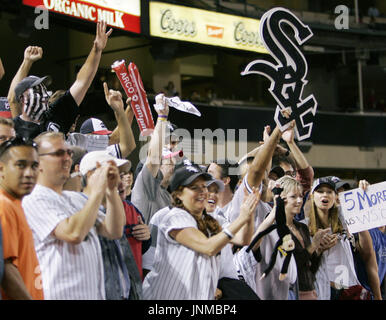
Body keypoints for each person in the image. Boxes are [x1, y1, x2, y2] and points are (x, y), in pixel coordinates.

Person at [22, 132, 125, 299]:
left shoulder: (74, 199)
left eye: (68, 153)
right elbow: (73, 233)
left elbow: (114, 231)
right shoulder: (33, 199)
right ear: (37, 162)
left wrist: (111, 191)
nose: (67, 158)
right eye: (58, 153)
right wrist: (98, 191)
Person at [142, 164, 259, 300]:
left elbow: (243, 239)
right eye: (194, 188)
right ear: (178, 194)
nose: (203, 192)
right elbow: (208, 247)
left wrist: (249, 214)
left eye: (204, 186)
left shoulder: (212, 220)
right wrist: (242, 218)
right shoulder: (173, 216)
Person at [9, 21, 112, 140]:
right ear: (23, 99)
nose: (43, 95)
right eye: (36, 92)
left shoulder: (56, 114)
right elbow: (12, 98)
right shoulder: (15, 127)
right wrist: (27, 62)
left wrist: (97, 50)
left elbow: (81, 83)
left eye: (44, 90)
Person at [250, 176, 329, 300]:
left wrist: (319, 250)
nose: (299, 200)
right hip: (287, 293)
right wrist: (313, 246)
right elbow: (290, 266)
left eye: (301, 196)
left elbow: (310, 267)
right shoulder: (274, 229)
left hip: (310, 291)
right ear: (281, 198)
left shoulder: (302, 227)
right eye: (294, 196)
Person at [79, 150, 142, 300]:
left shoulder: (111, 208)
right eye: (110, 175)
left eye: (118, 175)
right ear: (90, 175)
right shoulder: (76, 207)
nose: (118, 182)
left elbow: (117, 232)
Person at [307, 177, 366, 300]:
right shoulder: (304, 226)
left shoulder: (344, 219)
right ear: (312, 196)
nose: (325, 195)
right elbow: (302, 264)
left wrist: (363, 191)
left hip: (348, 288)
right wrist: (317, 248)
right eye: (320, 191)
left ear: (335, 196)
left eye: (329, 192)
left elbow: (363, 208)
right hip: (322, 288)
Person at [0, 136, 44, 299]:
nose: (29, 173)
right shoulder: (4, 205)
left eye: (34, 166)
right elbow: (7, 270)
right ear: (1, 169)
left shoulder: (15, 203)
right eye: (20, 165)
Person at [205, 178, 259, 300]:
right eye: (208, 190)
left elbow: (243, 240)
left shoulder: (217, 220)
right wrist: (210, 288)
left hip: (229, 285)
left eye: (215, 191)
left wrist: (249, 214)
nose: (212, 195)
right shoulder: (185, 223)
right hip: (209, 289)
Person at [68, 82, 136, 159]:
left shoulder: (104, 154)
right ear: (87, 135)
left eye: (105, 135)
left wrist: (129, 108)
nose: (102, 138)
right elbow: (115, 139)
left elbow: (116, 139)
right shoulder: (78, 145)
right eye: (98, 136)